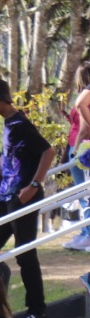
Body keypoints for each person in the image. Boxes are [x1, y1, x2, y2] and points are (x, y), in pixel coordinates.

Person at [0, 78, 55, 318]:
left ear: (0, 99)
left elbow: (48, 151)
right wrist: (0, 174)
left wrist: (34, 185)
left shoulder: (20, 124)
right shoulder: (9, 123)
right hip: (5, 196)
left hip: (22, 196)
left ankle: (37, 309)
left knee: (24, 252)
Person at [65, 62, 90, 251]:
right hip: (78, 145)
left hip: (80, 148)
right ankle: (85, 231)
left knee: (84, 194)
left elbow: (83, 128)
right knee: (83, 194)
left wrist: (75, 150)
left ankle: (88, 233)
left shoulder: (85, 101)